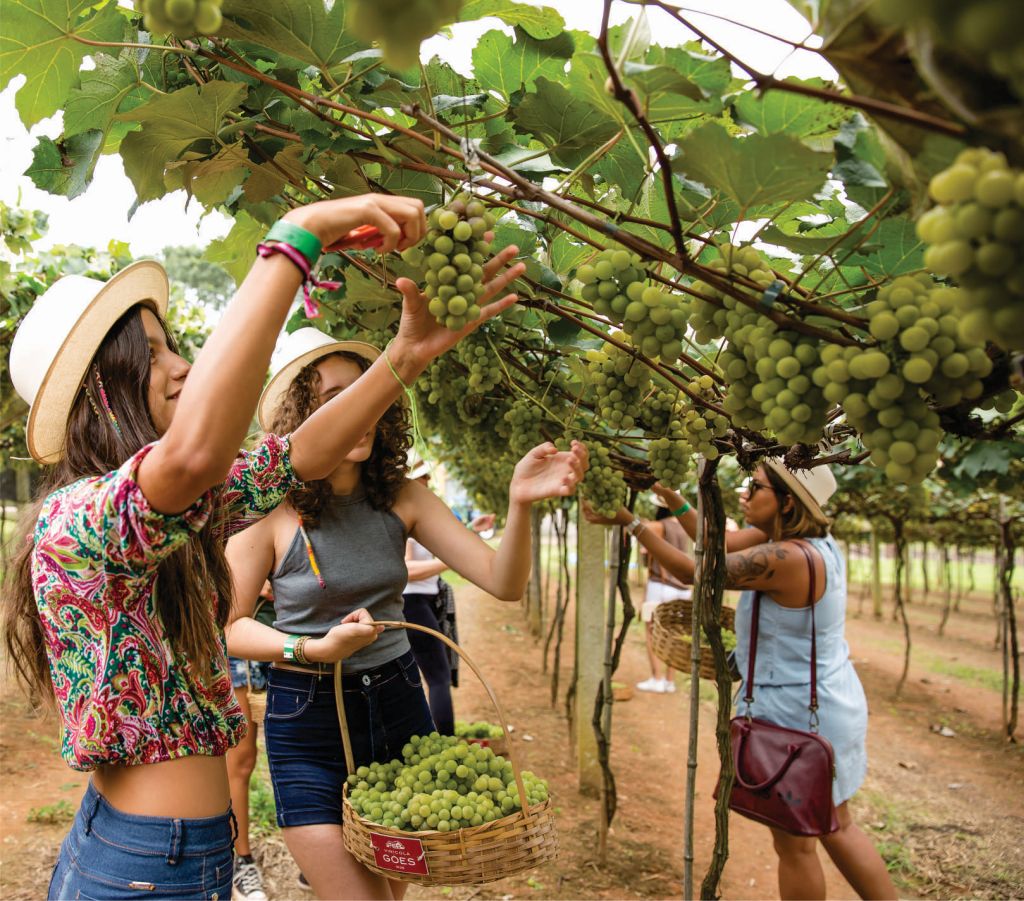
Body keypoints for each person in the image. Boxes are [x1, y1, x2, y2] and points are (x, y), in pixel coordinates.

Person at [1, 192, 524, 900]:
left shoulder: (170, 514)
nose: (181, 367)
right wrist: (297, 238)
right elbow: (194, 456)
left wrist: (405, 356)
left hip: (178, 853)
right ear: (102, 387)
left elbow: (299, 455)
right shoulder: (80, 519)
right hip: (146, 864)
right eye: (152, 352)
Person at [224, 327, 587, 901]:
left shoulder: (403, 497)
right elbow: (230, 625)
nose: (358, 410)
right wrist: (306, 648)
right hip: (309, 721)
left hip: (397, 707)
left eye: (367, 392)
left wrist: (518, 504)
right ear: (301, 415)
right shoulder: (270, 513)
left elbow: (503, 581)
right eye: (333, 397)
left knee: (394, 894)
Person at [584, 464, 897, 901]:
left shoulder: (786, 559)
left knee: (796, 845)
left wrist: (631, 523)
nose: (744, 494)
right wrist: (675, 499)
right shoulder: (805, 544)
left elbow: (699, 572)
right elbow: (720, 542)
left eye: (756, 486)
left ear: (788, 501)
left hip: (800, 715)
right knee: (837, 826)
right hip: (826, 701)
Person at [402, 455, 494, 733]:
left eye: (428, 477)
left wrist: (471, 531)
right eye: (422, 477)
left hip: (422, 602)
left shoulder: (418, 514)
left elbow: (445, 544)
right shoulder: (405, 517)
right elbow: (405, 570)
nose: (427, 482)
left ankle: (432, 738)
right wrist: (448, 559)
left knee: (427, 676)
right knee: (438, 677)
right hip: (412, 603)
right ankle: (445, 743)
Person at [226, 582, 275, 901]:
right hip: (237, 641)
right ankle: (240, 860)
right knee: (241, 759)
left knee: (307, 751)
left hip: (297, 634)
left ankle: (313, 859)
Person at [635, 497, 692, 694]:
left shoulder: (659, 526)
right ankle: (670, 681)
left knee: (651, 632)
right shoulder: (685, 527)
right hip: (682, 588)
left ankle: (656, 678)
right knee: (674, 635)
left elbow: (639, 530)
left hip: (661, 585)